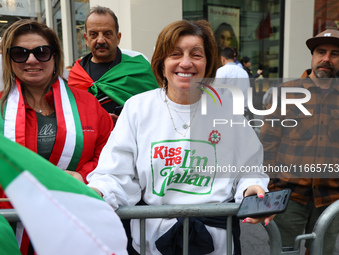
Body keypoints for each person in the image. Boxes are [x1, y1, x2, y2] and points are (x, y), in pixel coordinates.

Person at [86, 19, 272, 255]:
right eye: (175, 54)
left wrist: (252, 189)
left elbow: (249, 169)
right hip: (152, 243)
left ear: (208, 63)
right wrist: (98, 191)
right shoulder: (138, 108)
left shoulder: (227, 108)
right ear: (162, 62)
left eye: (196, 54)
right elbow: (115, 173)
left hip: (216, 243)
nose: (186, 63)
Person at [0, 19, 113, 254]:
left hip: (74, 226)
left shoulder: (88, 104)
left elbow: (111, 155)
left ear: (55, 56)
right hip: (11, 229)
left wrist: (81, 176)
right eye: (19, 53)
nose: (31, 59)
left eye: (41, 52)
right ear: (9, 59)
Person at [259, 29, 339, 255]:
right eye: (321, 52)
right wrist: (272, 189)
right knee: (285, 251)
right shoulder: (286, 93)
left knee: (322, 252)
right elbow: (267, 144)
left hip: (332, 199)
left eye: (335, 54)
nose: (326, 59)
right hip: (289, 196)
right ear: (312, 56)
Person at [68, 6, 158, 123]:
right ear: (86, 38)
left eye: (107, 34)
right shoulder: (76, 75)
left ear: (118, 37)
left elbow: (156, 110)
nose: (100, 40)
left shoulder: (139, 69)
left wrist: (126, 122)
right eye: (94, 34)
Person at [215, 47, 251, 117]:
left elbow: (216, 92)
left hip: (227, 110)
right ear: (234, 58)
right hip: (243, 110)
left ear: (222, 59)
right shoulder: (244, 72)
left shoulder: (222, 71)